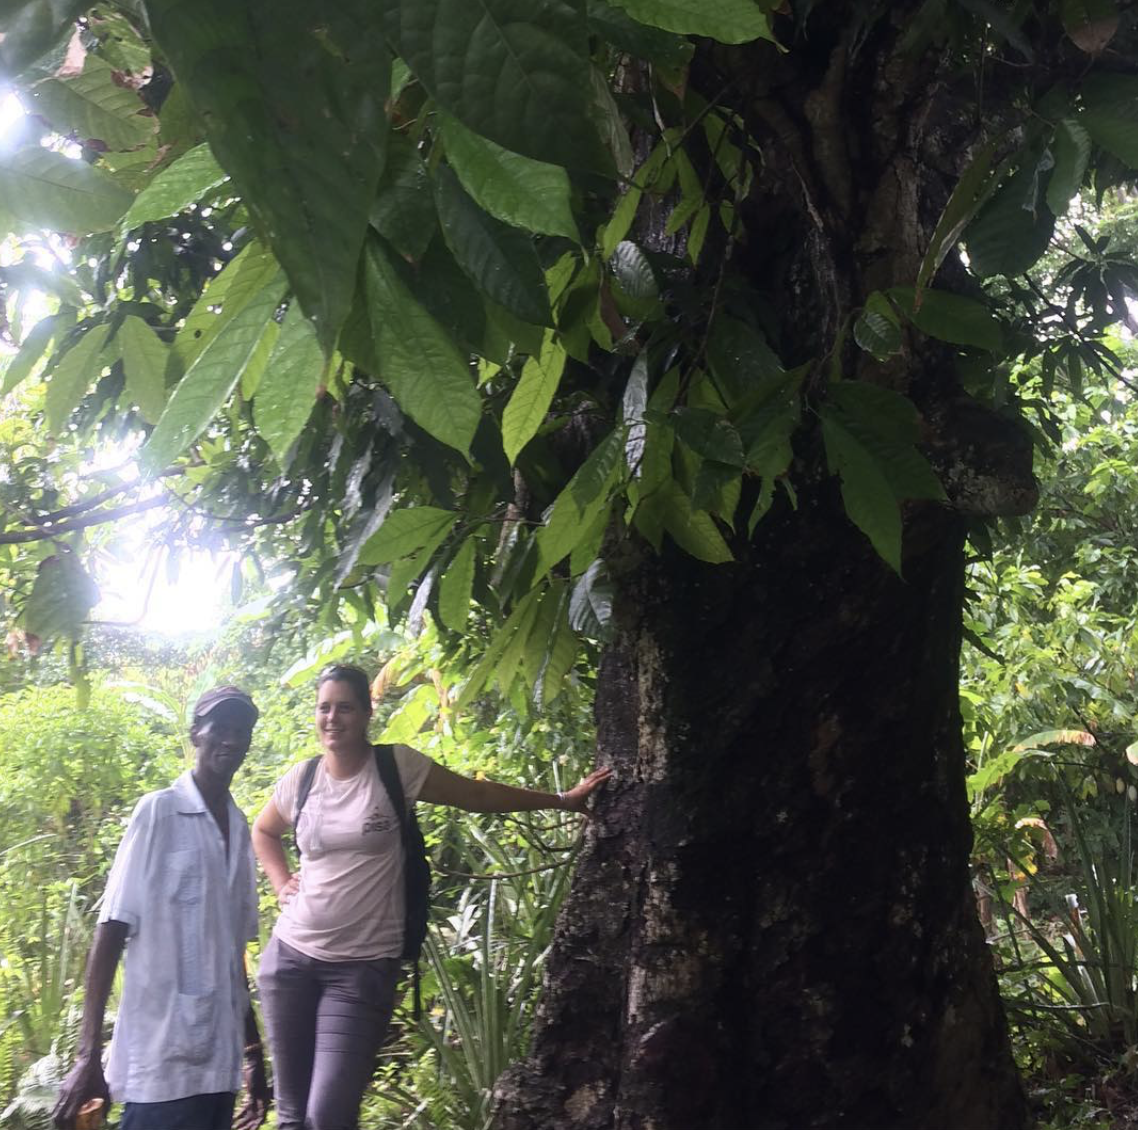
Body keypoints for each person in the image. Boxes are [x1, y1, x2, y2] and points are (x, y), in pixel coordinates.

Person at [251, 663, 611, 1130]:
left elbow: (476, 796)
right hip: (290, 961)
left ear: (365, 713)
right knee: (293, 1118)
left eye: (344, 707)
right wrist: (281, 883)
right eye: (324, 708)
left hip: (361, 969)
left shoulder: (394, 767)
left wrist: (561, 799)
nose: (332, 718)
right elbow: (263, 830)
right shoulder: (301, 779)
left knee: (328, 1117)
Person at [53, 687, 272, 1130]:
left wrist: (252, 1054)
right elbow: (110, 930)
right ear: (197, 733)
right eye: (220, 727)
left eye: (241, 730)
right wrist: (86, 1056)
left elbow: (233, 959)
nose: (231, 739)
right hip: (162, 1067)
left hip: (218, 1067)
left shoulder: (240, 826)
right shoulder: (158, 813)